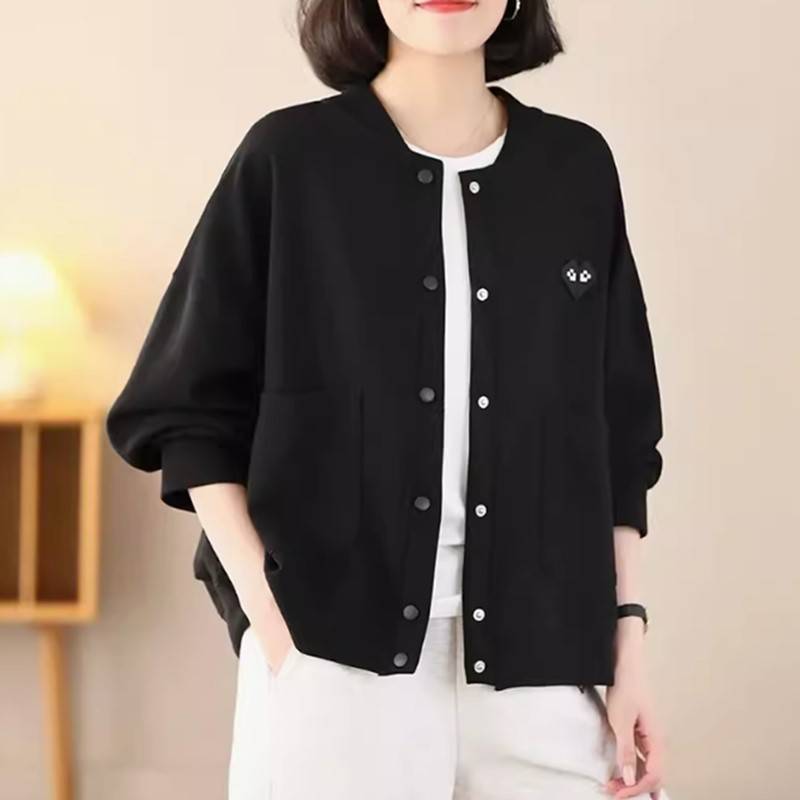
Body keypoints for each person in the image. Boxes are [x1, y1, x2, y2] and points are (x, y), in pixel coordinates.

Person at [106, 1, 673, 798]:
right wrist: (274, 629)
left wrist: (628, 647)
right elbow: (189, 411)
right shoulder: (289, 159)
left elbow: (619, 434)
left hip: (550, 675)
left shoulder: (576, 169)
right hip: (332, 666)